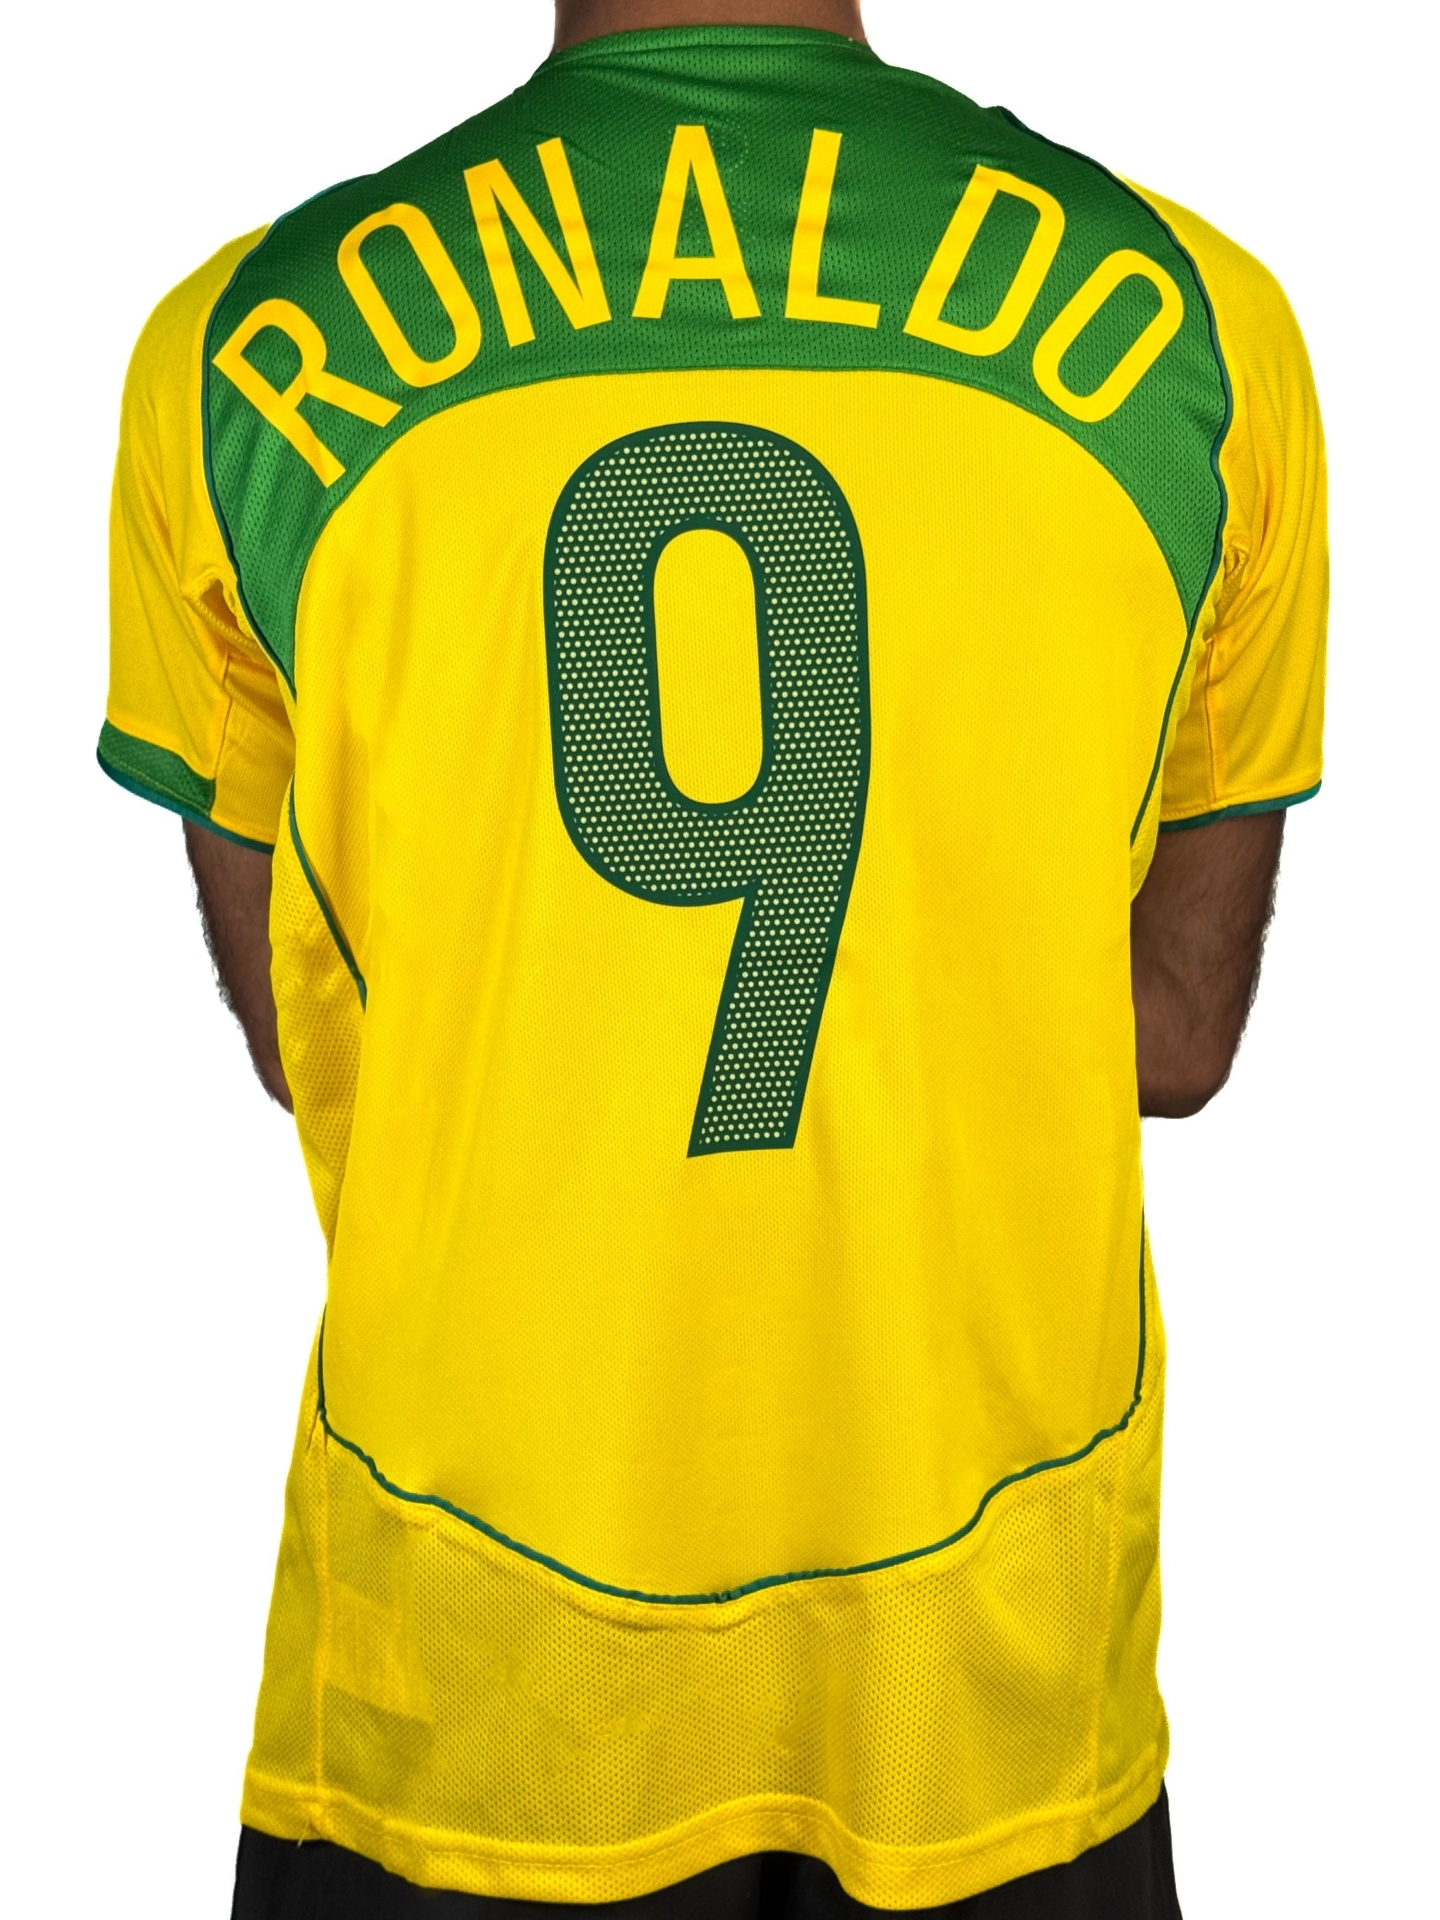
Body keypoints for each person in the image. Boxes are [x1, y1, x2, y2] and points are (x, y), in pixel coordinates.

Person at [99, 0, 1326, 1912]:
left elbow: (307, 1022)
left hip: (476, 1681)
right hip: (986, 1689)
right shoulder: (1199, 329)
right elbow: (1175, 1034)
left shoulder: (234, 355)